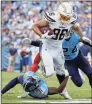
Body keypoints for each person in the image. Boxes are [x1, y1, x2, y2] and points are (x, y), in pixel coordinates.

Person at [31, 2, 90, 99]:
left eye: (68, 17)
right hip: (47, 47)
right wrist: (42, 35)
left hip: (58, 48)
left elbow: (76, 27)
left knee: (61, 72)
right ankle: (43, 65)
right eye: (64, 16)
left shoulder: (71, 20)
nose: (66, 19)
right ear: (59, 13)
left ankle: (63, 90)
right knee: (49, 73)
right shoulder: (52, 18)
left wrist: (82, 37)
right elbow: (34, 26)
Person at [1, 71, 69, 99]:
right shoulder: (42, 91)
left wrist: (2, 92)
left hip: (30, 86)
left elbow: (16, 79)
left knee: (18, 79)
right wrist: (67, 77)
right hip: (36, 92)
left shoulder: (26, 77)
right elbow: (59, 90)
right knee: (58, 90)